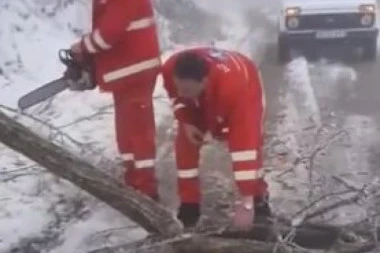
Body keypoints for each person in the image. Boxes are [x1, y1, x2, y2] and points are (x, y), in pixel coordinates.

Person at [161, 47, 271, 230]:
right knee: (184, 145)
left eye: (186, 89)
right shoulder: (170, 69)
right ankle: (189, 206)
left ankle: (259, 202)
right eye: (178, 86)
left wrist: (246, 202)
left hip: (243, 84)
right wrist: (186, 121)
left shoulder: (236, 89)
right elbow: (176, 97)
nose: (181, 93)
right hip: (211, 88)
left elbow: (245, 148)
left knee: (249, 148)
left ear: (204, 81)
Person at [67, 0, 161, 200]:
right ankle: (133, 179)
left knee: (138, 132)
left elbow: (108, 35)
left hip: (135, 69)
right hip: (125, 70)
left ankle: (147, 189)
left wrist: (82, 47)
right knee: (126, 130)